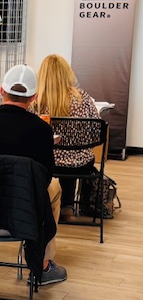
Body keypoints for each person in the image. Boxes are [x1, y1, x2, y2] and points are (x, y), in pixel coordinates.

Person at [0, 64, 67, 285]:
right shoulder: (42, 131)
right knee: (54, 188)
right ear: (33, 98)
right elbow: (46, 177)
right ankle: (43, 264)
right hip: (24, 208)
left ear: (1, 90)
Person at [35, 54, 100, 218]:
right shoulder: (82, 97)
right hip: (81, 162)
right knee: (71, 156)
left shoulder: (36, 101)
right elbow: (97, 129)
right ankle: (67, 205)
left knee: (55, 155)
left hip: (47, 162)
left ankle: (48, 202)